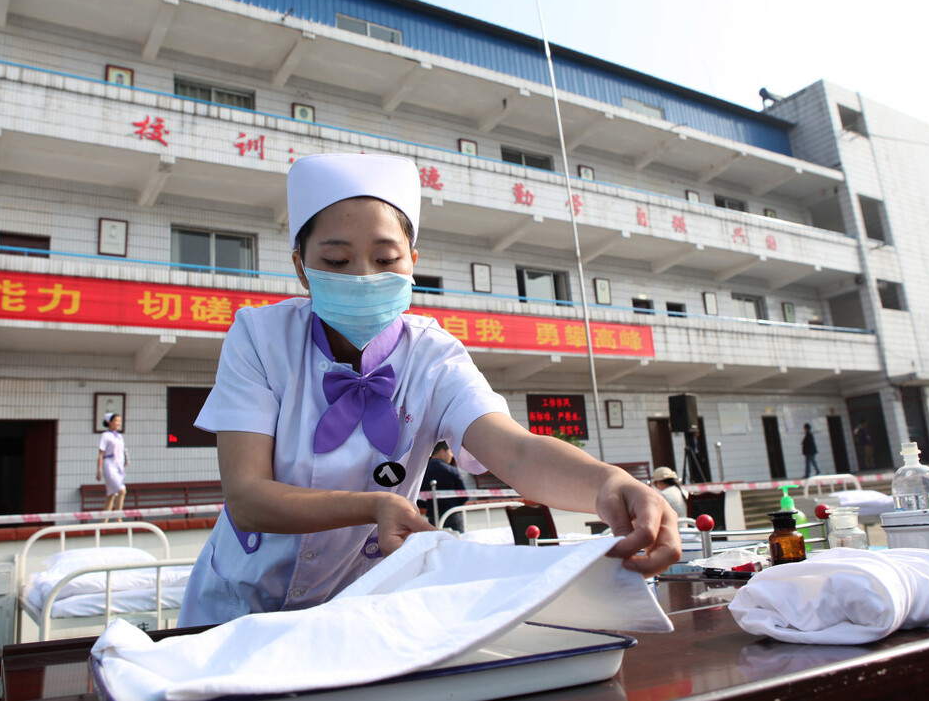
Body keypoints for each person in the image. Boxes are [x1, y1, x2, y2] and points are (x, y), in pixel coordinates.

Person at [179, 153, 681, 625]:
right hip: (238, 604)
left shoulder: (433, 357)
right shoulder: (261, 338)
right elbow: (246, 497)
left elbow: (516, 452)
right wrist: (371, 505)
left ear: (412, 262)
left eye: (385, 258)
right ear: (301, 267)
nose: (363, 277)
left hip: (359, 606)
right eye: (336, 262)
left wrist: (609, 485)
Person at [420, 442, 467, 532]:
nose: (452, 456)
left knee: (438, 543)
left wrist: (430, 506)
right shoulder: (451, 470)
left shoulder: (422, 472)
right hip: (453, 514)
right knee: (457, 542)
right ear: (442, 452)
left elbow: (420, 498)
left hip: (433, 517)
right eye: (450, 452)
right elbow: (464, 495)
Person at [95, 412, 128, 512]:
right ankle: (118, 517)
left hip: (118, 466)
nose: (118, 423)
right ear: (109, 422)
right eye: (116, 421)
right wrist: (99, 471)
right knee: (122, 490)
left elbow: (122, 451)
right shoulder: (105, 436)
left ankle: (104, 522)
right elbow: (101, 454)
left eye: (119, 421)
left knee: (111, 495)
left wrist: (124, 461)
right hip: (109, 465)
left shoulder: (119, 436)